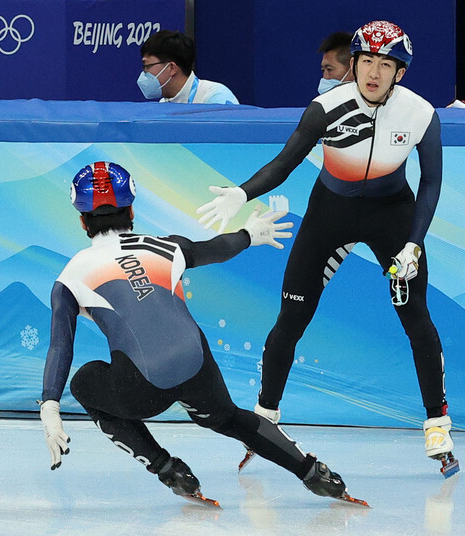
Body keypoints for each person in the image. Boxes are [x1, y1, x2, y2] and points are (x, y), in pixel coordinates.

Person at [196, 21, 458, 475]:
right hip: (329, 214)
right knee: (291, 317)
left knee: (416, 316)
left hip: (392, 217)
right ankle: (265, 420)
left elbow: (431, 182)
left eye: (386, 64)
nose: (374, 73)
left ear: (401, 72)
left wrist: (414, 244)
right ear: (353, 63)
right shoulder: (326, 107)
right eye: (366, 61)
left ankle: (438, 424)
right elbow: (284, 162)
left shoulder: (419, 114)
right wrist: (242, 193)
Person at [40, 161, 362, 505]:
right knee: (229, 418)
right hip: (196, 364)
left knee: (84, 382)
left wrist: (50, 405)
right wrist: (249, 235)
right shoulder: (165, 246)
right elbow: (216, 248)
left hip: (139, 388)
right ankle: (315, 473)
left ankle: (169, 470)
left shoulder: (70, 277)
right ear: (131, 210)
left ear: (81, 220)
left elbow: (62, 346)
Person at [137, 30, 239, 104]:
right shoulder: (162, 104)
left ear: (171, 68)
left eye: (147, 66)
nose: (144, 72)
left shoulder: (215, 97)